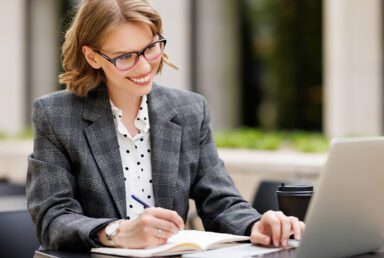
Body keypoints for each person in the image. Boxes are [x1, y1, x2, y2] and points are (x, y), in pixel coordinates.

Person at [26, 0, 304, 251]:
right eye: (125, 57)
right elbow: (52, 219)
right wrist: (118, 232)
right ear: (93, 57)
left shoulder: (189, 110)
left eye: (150, 48)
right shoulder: (56, 115)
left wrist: (255, 226)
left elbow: (220, 200)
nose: (144, 66)